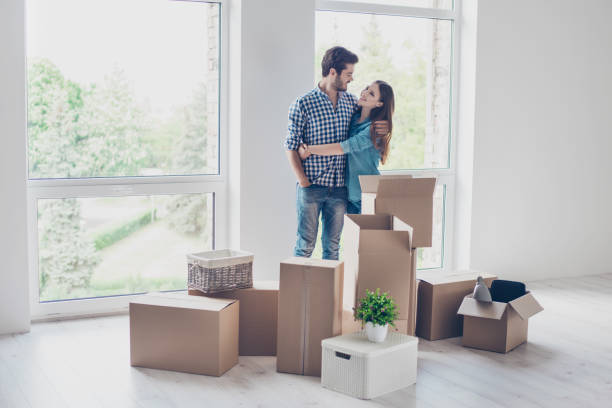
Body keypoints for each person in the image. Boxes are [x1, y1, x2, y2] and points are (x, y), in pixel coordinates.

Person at [284, 46, 387, 260]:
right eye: (348, 74)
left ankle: (328, 293)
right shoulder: (303, 104)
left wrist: (384, 127)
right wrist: (303, 182)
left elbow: (371, 120)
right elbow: (291, 146)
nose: (351, 79)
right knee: (305, 245)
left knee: (332, 248)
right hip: (311, 187)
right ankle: (298, 293)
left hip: (340, 190)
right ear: (333, 72)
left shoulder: (351, 103)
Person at [298, 80, 394, 215]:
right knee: (350, 235)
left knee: (368, 235)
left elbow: (343, 147)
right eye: (366, 88)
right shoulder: (354, 118)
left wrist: (309, 149)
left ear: (379, 104)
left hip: (368, 194)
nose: (365, 93)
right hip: (349, 195)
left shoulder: (374, 129)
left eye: (371, 93)